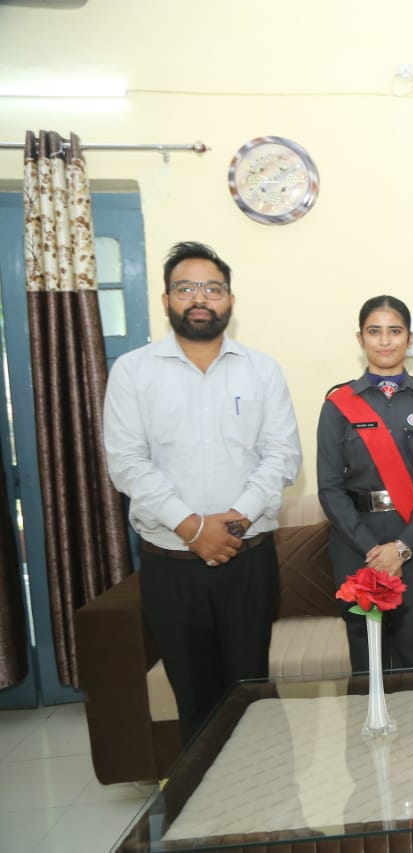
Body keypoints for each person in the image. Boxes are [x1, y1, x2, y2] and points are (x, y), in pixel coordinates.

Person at [104, 241, 302, 744]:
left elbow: (282, 455)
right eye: (186, 288)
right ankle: (203, 795)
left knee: (253, 696)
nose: (199, 298)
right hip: (170, 564)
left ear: (229, 300)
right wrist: (193, 528)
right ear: (166, 299)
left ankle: (264, 793)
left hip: (248, 561)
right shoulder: (133, 371)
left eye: (212, 288)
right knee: (194, 703)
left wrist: (233, 521)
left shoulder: (262, 369)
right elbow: (128, 463)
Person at [316, 295, 413, 672]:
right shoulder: (338, 404)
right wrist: (372, 550)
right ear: (360, 339)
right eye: (374, 331)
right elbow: (329, 487)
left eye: (394, 331)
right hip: (356, 541)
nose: (384, 341)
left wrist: (402, 548)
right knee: (367, 659)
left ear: (409, 338)